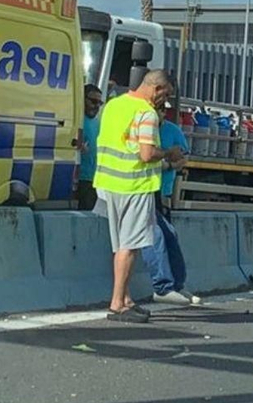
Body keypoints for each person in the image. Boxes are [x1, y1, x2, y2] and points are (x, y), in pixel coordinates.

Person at [93, 69, 182, 323]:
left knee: (120, 246)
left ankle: (126, 298)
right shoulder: (146, 114)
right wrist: (168, 153)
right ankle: (117, 303)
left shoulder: (113, 105)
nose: (165, 102)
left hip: (109, 183)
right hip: (134, 184)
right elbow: (146, 154)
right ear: (157, 89)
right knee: (130, 247)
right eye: (166, 96)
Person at [141, 102, 198, 305]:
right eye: (158, 108)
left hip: (158, 189)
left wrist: (170, 164)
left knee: (169, 234)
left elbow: (182, 157)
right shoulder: (141, 126)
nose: (161, 113)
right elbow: (146, 155)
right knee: (154, 235)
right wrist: (166, 159)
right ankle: (163, 286)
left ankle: (177, 285)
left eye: (163, 109)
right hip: (138, 188)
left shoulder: (170, 131)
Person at [75, 85, 103, 211]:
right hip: (79, 179)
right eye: (93, 101)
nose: (97, 106)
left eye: (99, 102)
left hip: (95, 180)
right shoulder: (77, 121)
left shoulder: (98, 123)